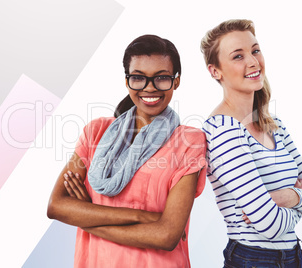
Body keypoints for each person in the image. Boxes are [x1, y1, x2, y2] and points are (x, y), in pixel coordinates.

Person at [47, 34, 207, 268]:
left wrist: (86, 215)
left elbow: (166, 236)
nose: (149, 88)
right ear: (127, 80)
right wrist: (141, 217)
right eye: (138, 78)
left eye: (161, 78)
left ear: (176, 81)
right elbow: (57, 206)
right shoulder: (96, 132)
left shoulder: (189, 141)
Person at [200, 19, 302, 267]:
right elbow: (270, 225)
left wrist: (286, 197)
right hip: (253, 259)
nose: (253, 61)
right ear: (215, 71)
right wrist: (300, 197)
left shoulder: (273, 125)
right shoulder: (223, 130)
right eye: (238, 56)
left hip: (292, 257)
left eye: (255, 50)